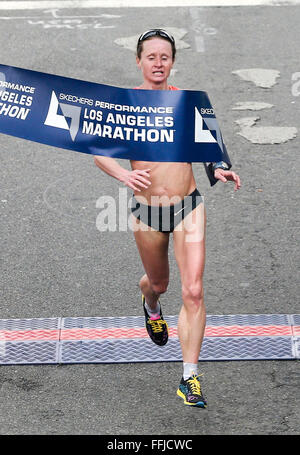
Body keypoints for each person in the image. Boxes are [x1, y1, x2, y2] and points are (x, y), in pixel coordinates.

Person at [94, 29, 241, 407]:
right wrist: (124, 175)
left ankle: (188, 377)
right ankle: (151, 303)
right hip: (147, 212)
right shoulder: (125, 105)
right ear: (139, 61)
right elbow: (100, 153)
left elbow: (208, 147)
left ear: (173, 61)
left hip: (188, 207)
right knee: (158, 283)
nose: (158, 63)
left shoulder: (187, 103)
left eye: (165, 57)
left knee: (193, 290)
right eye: (151, 57)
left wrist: (218, 169)